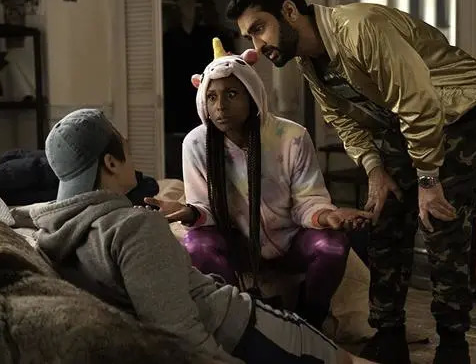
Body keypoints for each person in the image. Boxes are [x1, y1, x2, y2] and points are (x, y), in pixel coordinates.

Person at [225, 0, 476, 364]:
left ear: (289, 11)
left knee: (441, 224)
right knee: (385, 215)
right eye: (249, 37)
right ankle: (388, 336)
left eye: (259, 29)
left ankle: (453, 345)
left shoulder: (360, 28)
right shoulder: (308, 61)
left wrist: (427, 180)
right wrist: (375, 169)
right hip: (403, 119)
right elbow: (343, 118)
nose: (257, 46)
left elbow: (418, 101)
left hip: (460, 112)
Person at [31, 108, 375, 364]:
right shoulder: (135, 228)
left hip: (232, 316)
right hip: (243, 326)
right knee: (347, 361)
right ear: (110, 162)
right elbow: (181, 334)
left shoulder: (52, 233)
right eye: (124, 143)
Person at [146, 38, 372, 329]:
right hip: (236, 247)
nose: (220, 106)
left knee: (332, 247)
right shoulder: (196, 143)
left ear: (252, 94)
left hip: (290, 244)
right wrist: (189, 212)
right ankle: (238, 322)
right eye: (211, 97)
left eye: (231, 94)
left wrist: (329, 216)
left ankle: (308, 323)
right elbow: (205, 207)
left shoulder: (292, 137)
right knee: (196, 244)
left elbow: (308, 200)